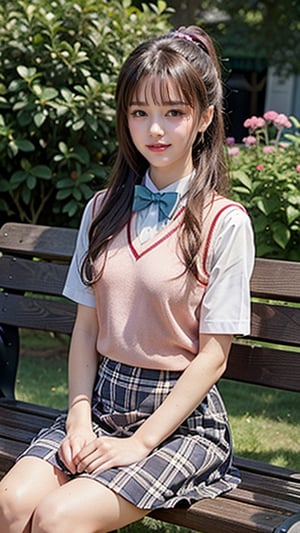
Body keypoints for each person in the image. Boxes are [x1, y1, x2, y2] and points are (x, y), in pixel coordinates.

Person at [0, 25, 255, 533]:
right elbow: (87, 330)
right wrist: (76, 419)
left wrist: (138, 443)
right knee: (9, 504)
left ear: (204, 118)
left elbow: (214, 355)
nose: (154, 130)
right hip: (98, 403)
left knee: (56, 518)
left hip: (180, 422)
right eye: (140, 112)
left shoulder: (226, 223)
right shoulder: (101, 211)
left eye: (173, 113)